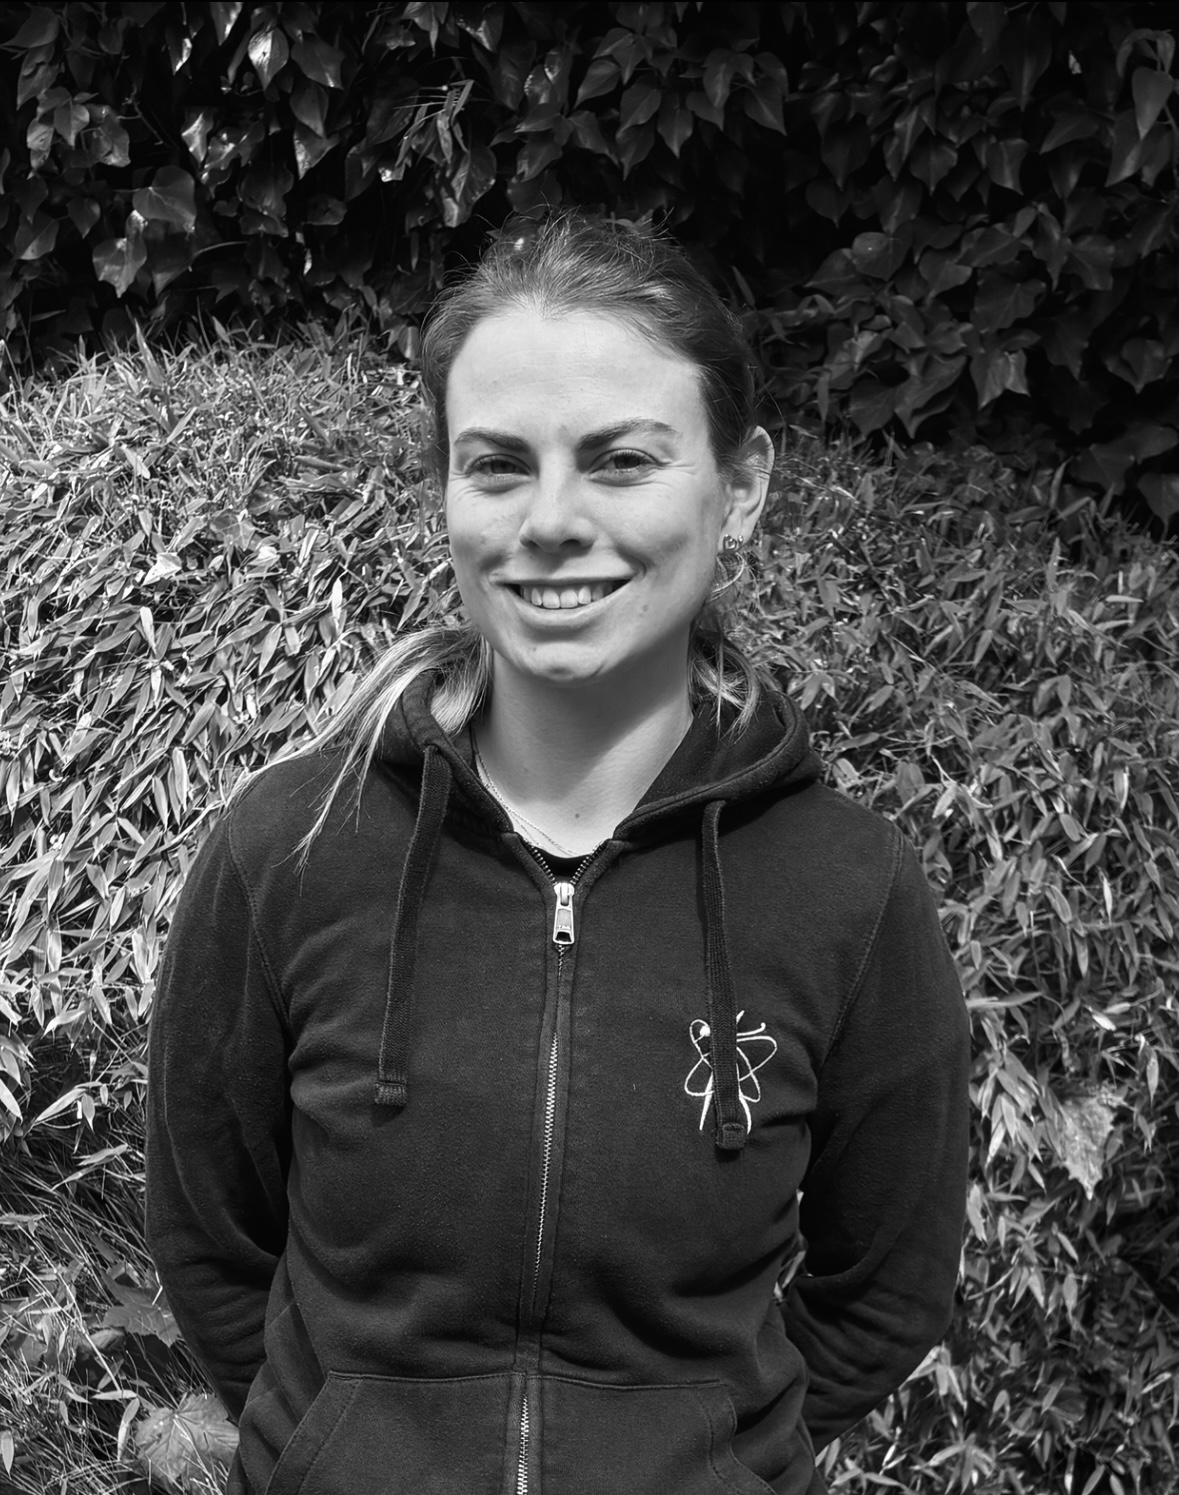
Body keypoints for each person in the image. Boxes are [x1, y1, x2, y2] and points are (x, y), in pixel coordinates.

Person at [145, 213, 970, 1495]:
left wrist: (712, 1458)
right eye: (496, 464)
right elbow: (210, 1241)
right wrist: (332, 1451)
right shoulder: (289, 848)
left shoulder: (848, 891)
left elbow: (889, 1283)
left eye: (621, 460)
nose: (551, 520)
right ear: (444, 493)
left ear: (741, 485)